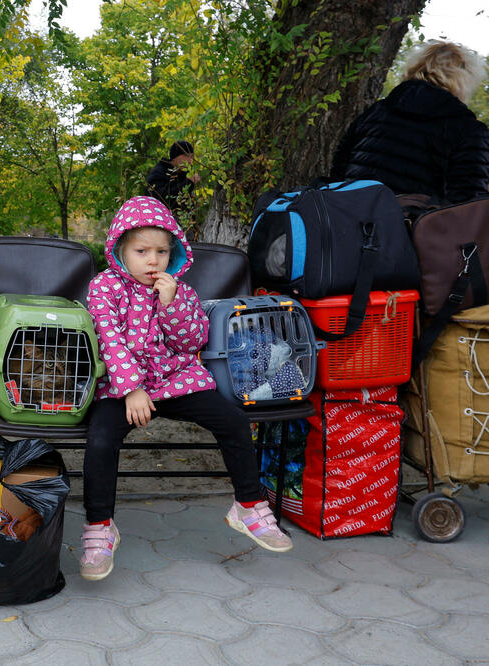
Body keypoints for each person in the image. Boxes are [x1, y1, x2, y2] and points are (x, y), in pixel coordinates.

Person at [80, 195, 291, 582]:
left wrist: (172, 303)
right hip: (121, 386)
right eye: (141, 251)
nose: (153, 261)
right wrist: (131, 389)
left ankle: (248, 504)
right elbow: (107, 337)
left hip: (176, 379)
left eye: (162, 251)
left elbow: (191, 341)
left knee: (232, 420)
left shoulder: (181, 291)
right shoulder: (105, 287)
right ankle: (99, 526)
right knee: (100, 438)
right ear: (120, 250)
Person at [330, 41, 489, 203]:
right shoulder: (468, 130)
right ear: (464, 78)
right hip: (413, 225)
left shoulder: (377, 111)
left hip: (349, 216)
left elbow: (339, 168)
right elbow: (468, 205)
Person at [145, 140, 200, 216]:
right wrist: (188, 183)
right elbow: (163, 200)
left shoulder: (184, 173)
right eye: (186, 156)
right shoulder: (158, 173)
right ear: (175, 157)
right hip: (158, 219)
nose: (190, 161)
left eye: (191, 156)